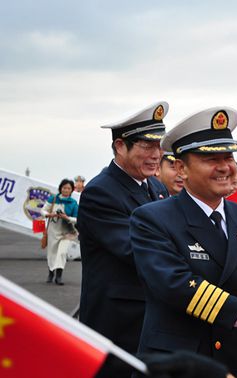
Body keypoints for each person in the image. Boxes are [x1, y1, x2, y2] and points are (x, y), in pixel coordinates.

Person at [130, 107, 237, 378]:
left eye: (228, 156)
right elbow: (175, 284)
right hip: (182, 366)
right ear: (181, 168)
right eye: (210, 158)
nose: (225, 167)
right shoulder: (151, 219)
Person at [77, 102, 170, 361]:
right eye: (148, 145)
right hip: (118, 324)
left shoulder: (156, 187)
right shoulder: (101, 192)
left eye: (159, 145)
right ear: (120, 146)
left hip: (153, 318)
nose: (157, 154)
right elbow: (136, 249)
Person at [41, 178, 78, 285]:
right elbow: (43, 210)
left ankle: (59, 276)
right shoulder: (53, 199)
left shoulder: (73, 203)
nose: (66, 190)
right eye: (64, 188)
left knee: (62, 253)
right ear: (60, 188)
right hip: (53, 229)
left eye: (68, 188)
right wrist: (49, 214)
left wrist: (67, 217)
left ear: (72, 190)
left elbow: (77, 218)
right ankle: (51, 273)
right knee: (52, 252)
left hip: (67, 231)